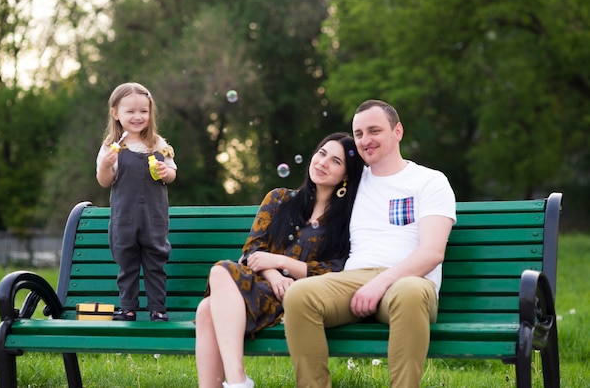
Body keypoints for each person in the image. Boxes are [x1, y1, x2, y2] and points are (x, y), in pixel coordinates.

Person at [283, 100, 457, 388]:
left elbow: (432, 252)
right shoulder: (352, 183)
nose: (366, 140)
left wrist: (381, 283)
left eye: (374, 130)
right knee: (300, 295)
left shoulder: (429, 181)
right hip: (354, 280)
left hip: (411, 280)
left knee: (410, 291)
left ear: (397, 131)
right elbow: (314, 190)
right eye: (359, 133)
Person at [194, 132, 365, 388]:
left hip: (299, 298)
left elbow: (335, 270)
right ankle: (237, 381)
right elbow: (252, 251)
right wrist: (273, 275)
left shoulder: (347, 220)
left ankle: (238, 382)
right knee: (216, 283)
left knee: (207, 308)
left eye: (336, 161)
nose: (323, 163)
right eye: (321, 153)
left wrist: (280, 262)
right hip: (262, 287)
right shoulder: (279, 199)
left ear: (347, 175)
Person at [96, 82, 178, 322]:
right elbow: (105, 180)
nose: (138, 116)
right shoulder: (113, 148)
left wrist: (166, 172)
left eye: (143, 110)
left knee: (155, 263)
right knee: (127, 263)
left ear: (151, 112)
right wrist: (104, 165)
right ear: (116, 113)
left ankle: (157, 309)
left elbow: (173, 173)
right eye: (130, 111)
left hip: (154, 218)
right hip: (124, 219)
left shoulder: (158, 144)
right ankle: (128, 307)